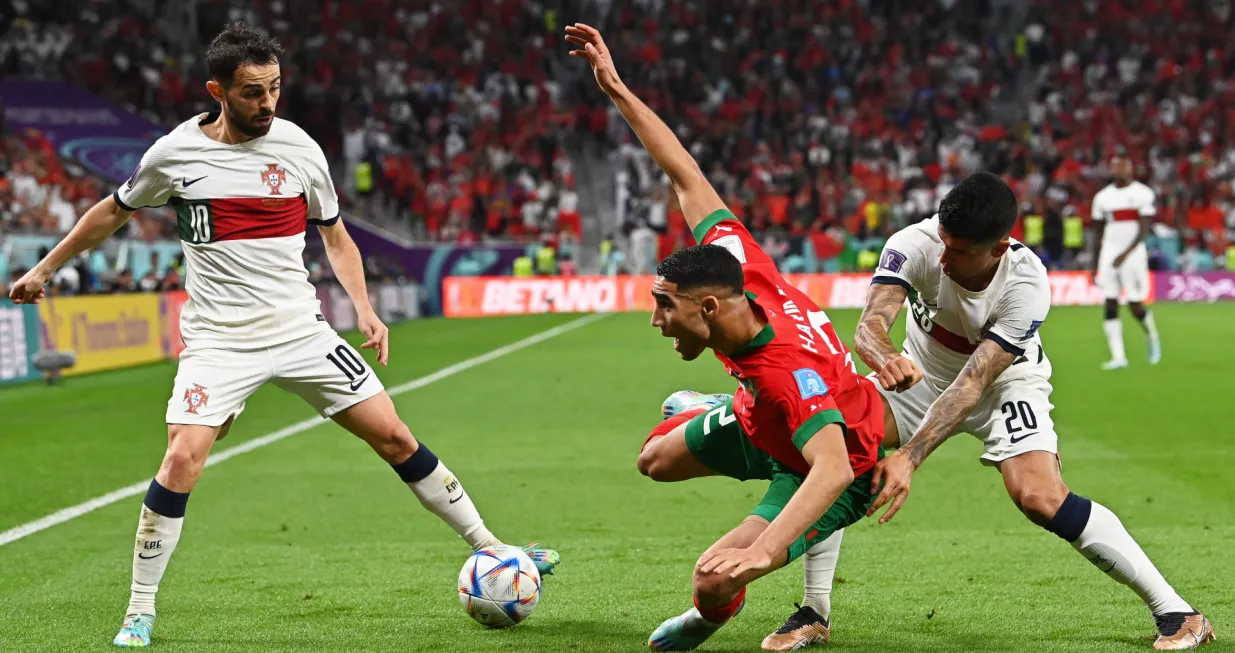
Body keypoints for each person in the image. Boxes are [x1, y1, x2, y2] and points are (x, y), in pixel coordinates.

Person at [7, 23, 558, 649]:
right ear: (217, 90)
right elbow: (114, 209)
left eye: (274, 89)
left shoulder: (299, 149)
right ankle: (139, 610)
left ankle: (496, 550)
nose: (268, 104)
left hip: (300, 330)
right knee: (182, 459)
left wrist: (365, 308)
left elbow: (335, 234)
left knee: (395, 435)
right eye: (251, 93)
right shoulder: (174, 155)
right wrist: (45, 267)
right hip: (218, 341)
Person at [566, 23, 886, 651]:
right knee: (653, 462)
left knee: (713, 579)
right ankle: (720, 410)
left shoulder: (787, 371)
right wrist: (616, 89)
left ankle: (705, 621)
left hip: (834, 463)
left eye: (665, 307)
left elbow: (831, 468)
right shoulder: (737, 259)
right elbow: (684, 175)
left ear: (708, 308)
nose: (656, 320)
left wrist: (765, 552)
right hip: (765, 419)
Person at [851, 172, 1212, 650]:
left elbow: (973, 383)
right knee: (838, 440)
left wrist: (911, 456)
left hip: (1005, 384)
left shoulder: (1025, 282)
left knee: (1039, 497)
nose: (942, 258)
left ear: (998, 248)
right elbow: (870, 324)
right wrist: (884, 357)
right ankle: (814, 610)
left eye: (957, 252)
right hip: (919, 370)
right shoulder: (914, 242)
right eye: (943, 241)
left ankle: (1178, 612)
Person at [1090, 155, 1161, 370]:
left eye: (1122, 165)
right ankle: (1118, 357)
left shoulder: (1142, 193)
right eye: (1114, 166)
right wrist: (1094, 263)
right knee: (1110, 302)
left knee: (1134, 302)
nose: (1118, 169)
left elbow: (1144, 229)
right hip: (1109, 254)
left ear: (1131, 168)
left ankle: (1152, 335)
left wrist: (1126, 253)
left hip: (1133, 255)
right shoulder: (1102, 197)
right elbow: (1097, 231)